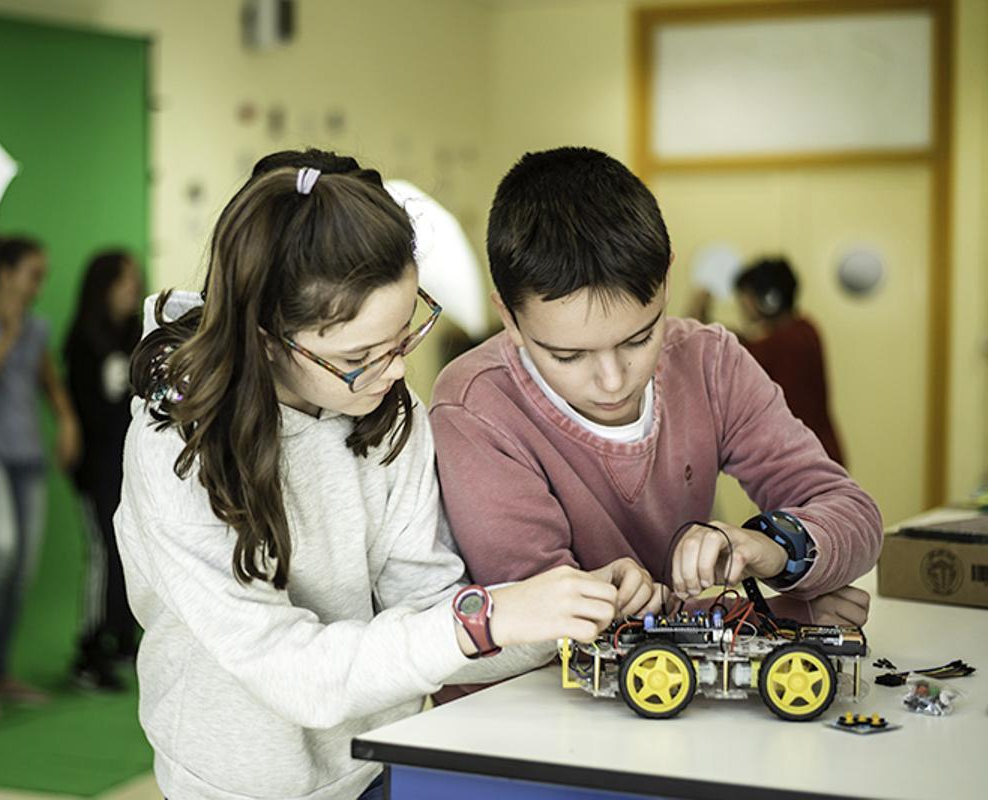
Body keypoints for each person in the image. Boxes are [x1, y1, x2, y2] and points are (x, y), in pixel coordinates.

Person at [115, 151, 660, 800]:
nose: (397, 372)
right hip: (235, 785)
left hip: (379, 763)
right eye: (358, 357)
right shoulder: (179, 448)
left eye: (405, 336)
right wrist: (489, 619)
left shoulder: (386, 412)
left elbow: (427, 611)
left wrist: (563, 610)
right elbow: (293, 671)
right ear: (266, 338)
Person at [430, 147, 882, 703]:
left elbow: (853, 513)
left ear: (666, 280)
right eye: (568, 357)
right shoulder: (476, 405)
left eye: (640, 338)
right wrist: (769, 612)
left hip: (661, 705)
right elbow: (552, 618)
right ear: (510, 318)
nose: (613, 380)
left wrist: (774, 547)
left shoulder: (710, 361)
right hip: (521, 721)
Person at [0, 235, 81, 724]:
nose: (39, 285)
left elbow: (51, 386)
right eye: (33, 275)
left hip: (26, 460)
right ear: (5, 273)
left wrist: (67, 421)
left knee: (21, 569)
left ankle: (0, 671)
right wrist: (4, 337)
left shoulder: (36, 329)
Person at [63, 249, 144, 690]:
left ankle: (123, 639)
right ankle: (89, 650)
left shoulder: (138, 335)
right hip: (96, 467)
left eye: (135, 279)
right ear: (102, 287)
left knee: (132, 551)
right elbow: (82, 410)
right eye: (122, 281)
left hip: (131, 464)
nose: (132, 289)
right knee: (102, 553)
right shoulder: (83, 340)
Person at [694, 257, 845, 465]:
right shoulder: (804, 329)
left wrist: (697, 313)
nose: (742, 305)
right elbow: (747, 342)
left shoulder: (787, 342)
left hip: (807, 461)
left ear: (769, 299)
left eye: (745, 297)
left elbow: (729, 349)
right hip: (815, 454)